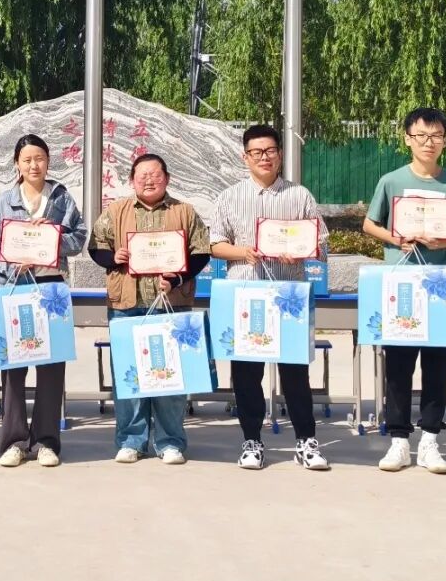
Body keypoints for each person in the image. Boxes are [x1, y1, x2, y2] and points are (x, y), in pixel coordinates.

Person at [362, 107, 446, 474]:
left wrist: (444, 239)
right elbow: (369, 224)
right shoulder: (391, 181)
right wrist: (396, 238)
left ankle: (430, 440)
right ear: (407, 139)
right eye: (422, 135)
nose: (429, 142)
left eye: (437, 136)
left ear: (445, 141)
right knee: (398, 365)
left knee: (438, 365)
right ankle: (398, 441)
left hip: (440, 287)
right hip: (401, 286)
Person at [210, 124, 330, 471]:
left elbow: (321, 244)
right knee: (247, 375)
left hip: (288, 296)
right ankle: (252, 441)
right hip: (246, 297)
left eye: (270, 151)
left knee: (295, 374)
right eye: (256, 152)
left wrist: (303, 252)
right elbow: (215, 244)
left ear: (280, 154)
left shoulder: (299, 195)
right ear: (245, 156)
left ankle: (306, 441)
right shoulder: (229, 196)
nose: (264, 157)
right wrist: (242, 252)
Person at [88, 153, 211, 465]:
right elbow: (96, 246)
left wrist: (178, 277)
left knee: (170, 377)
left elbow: (200, 253)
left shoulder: (184, 211)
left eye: (155, 175)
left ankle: (170, 442)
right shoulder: (116, 211)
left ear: (167, 178)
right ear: (132, 180)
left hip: (172, 304)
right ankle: (131, 440)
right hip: (126, 305)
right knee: (129, 376)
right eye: (142, 175)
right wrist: (113, 257)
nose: (149, 180)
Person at [0, 134, 87, 468]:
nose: (33, 165)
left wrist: (52, 236)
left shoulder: (61, 198)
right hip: (13, 288)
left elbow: (79, 237)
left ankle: (46, 442)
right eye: (27, 160)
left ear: (48, 161)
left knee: (51, 368)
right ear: (17, 164)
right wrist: (11, 262)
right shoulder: (4, 201)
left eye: (39, 158)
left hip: (50, 290)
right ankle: (14, 441)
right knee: (13, 369)